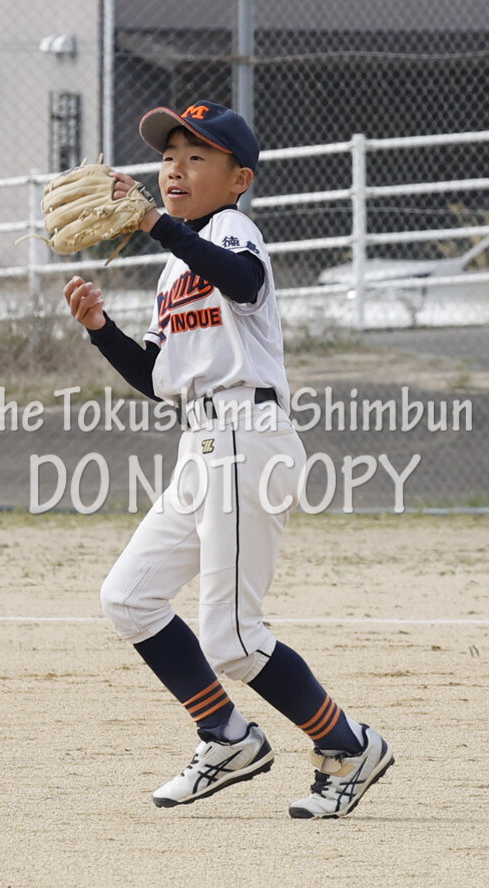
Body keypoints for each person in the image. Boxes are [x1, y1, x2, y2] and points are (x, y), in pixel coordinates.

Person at [64, 100, 393, 818]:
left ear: (239, 179)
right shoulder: (173, 271)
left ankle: (349, 746)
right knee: (129, 597)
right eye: (168, 157)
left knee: (233, 637)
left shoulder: (231, 230)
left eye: (197, 157)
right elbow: (157, 377)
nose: (175, 170)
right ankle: (227, 735)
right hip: (204, 444)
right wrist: (100, 328)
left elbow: (242, 281)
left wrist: (155, 222)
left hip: (248, 438)